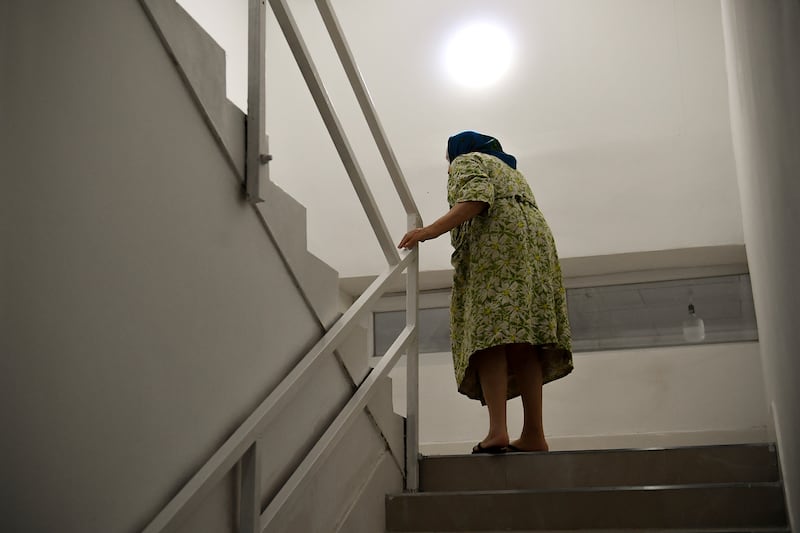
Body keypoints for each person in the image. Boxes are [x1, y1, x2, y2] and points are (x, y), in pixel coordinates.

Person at [398, 131, 573, 454]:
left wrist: (427, 232)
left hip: (497, 250)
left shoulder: (468, 160)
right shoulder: (511, 172)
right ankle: (534, 434)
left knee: (490, 339)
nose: (448, 169)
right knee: (523, 339)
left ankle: (497, 432)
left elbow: (476, 198)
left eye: (446, 162)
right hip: (533, 249)